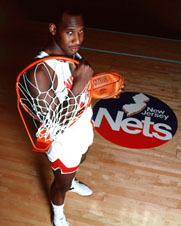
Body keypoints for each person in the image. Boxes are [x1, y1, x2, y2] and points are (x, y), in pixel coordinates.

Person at [26, 3, 95, 226]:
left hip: (83, 127)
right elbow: (53, 127)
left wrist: (103, 90)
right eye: (70, 32)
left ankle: (72, 182)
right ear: (54, 29)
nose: (78, 39)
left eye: (81, 31)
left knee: (82, 158)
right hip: (63, 143)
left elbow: (83, 91)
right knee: (60, 185)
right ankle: (58, 214)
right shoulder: (40, 72)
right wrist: (78, 85)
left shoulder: (71, 53)